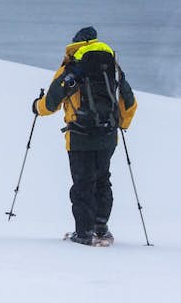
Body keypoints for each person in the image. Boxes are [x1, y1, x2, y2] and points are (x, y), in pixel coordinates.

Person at [32, 26, 136, 246]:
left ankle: (84, 233)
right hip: (108, 135)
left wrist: (36, 108)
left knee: (82, 183)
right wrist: (121, 124)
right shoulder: (112, 66)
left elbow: (51, 102)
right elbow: (129, 102)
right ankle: (101, 228)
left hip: (79, 134)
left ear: (76, 42)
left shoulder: (72, 66)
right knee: (102, 180)